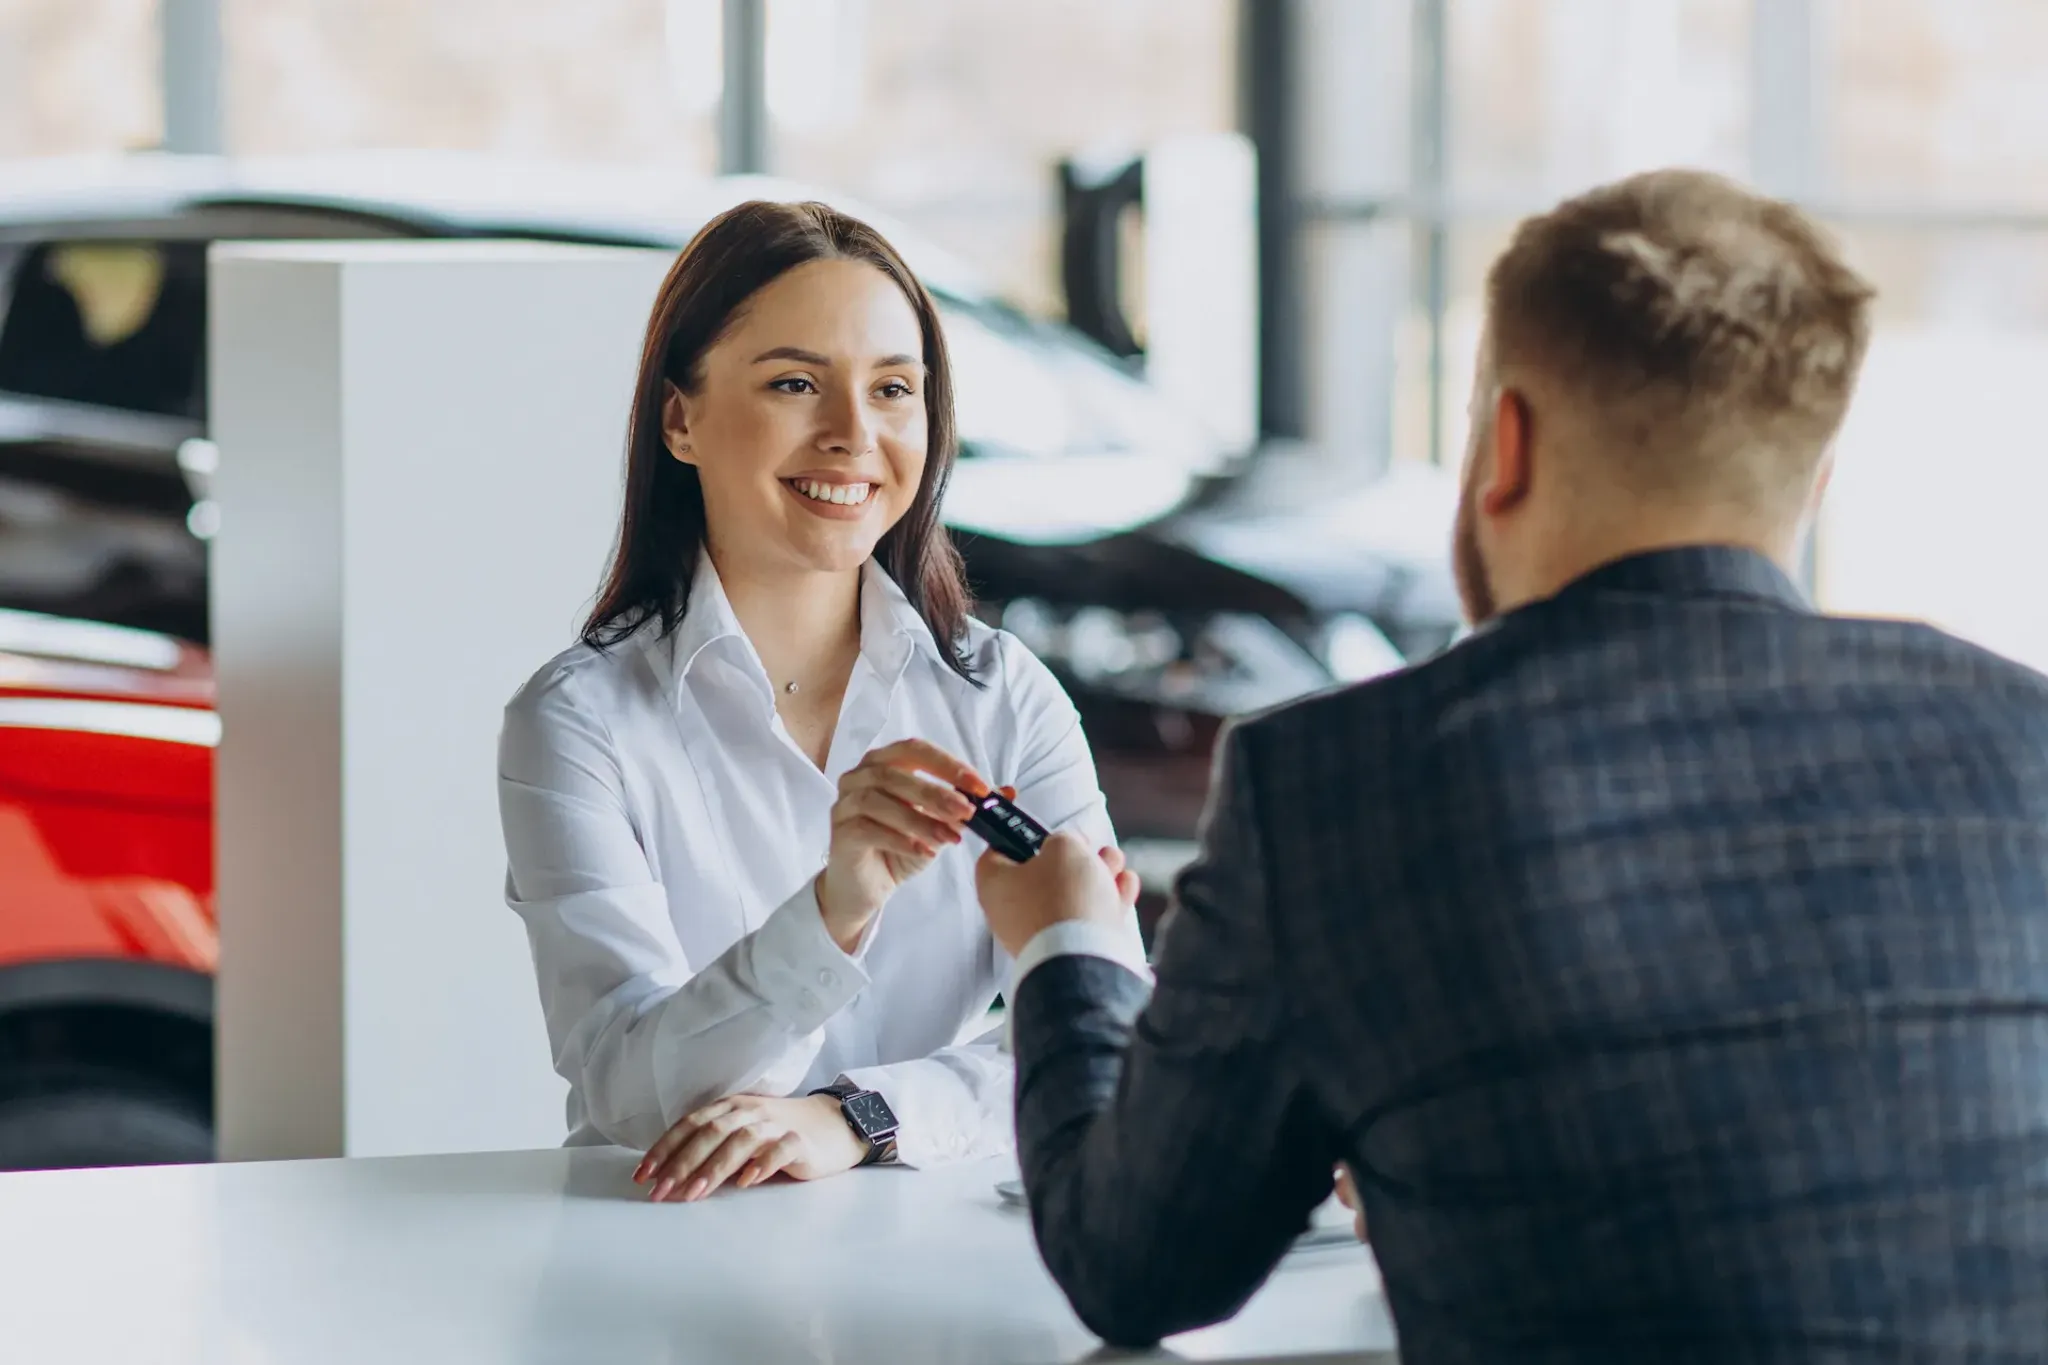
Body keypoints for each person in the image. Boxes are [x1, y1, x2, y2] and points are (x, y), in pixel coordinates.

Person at [975, 168, 2048, 1362]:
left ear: (1505, 441)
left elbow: (1134, 1270)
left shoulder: (1341, 786)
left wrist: (1063, 944)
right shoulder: (2021, 735)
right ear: (1814, 479)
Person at [497, 201, 1139, 1201]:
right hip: (657, 1259)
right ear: (680, 419)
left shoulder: (1003, 697)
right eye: (794, 384)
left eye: (892, 389)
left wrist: (860, 1115)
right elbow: (632, 1090)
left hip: (934, 1261)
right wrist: (833, 912)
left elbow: (1110, 1039)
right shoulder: (578, 723)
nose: (852, 435)